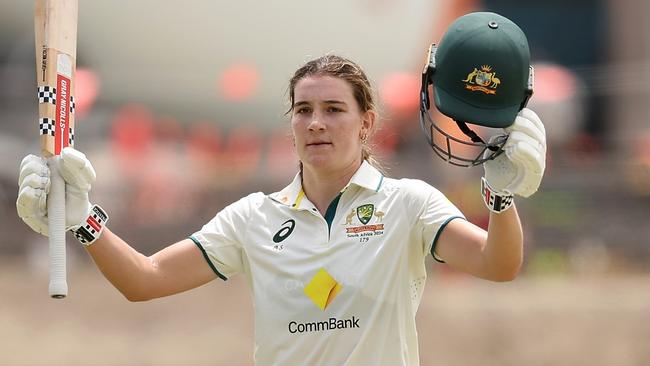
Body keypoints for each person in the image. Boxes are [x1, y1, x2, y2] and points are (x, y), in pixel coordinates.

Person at [16, 12, 546, 366]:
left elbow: (499, 266)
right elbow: (145, 280)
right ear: (290, 123)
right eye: (304, 110)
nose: (317, 123)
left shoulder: (409, 204)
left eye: (334, 110)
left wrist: (501, 199)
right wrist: (81, 218)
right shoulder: (253, 217)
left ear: (366, 123)